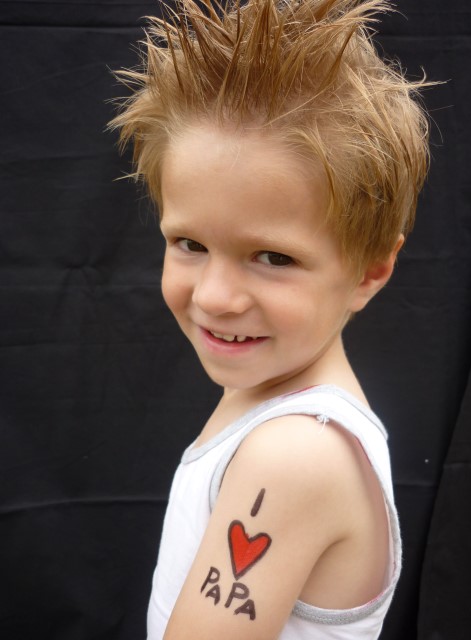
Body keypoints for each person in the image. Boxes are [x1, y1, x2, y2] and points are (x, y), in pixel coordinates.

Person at [110, 0, 429, 637]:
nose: (215, 297)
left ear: (369, 271)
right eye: (190, 244)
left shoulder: (293, 455)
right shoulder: (269, 402)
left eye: (273, 257)